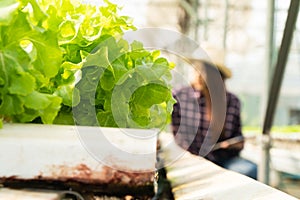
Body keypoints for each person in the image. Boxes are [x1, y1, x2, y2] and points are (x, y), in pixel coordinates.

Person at [171, 59, 257, 180]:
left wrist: (235, 144)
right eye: (196, 70)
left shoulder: (232, 101)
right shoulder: (180, 96)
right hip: (191, 161)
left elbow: (238, 137)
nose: (198, 75)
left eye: (204, 71)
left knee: (249, 170)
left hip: (224, 160)